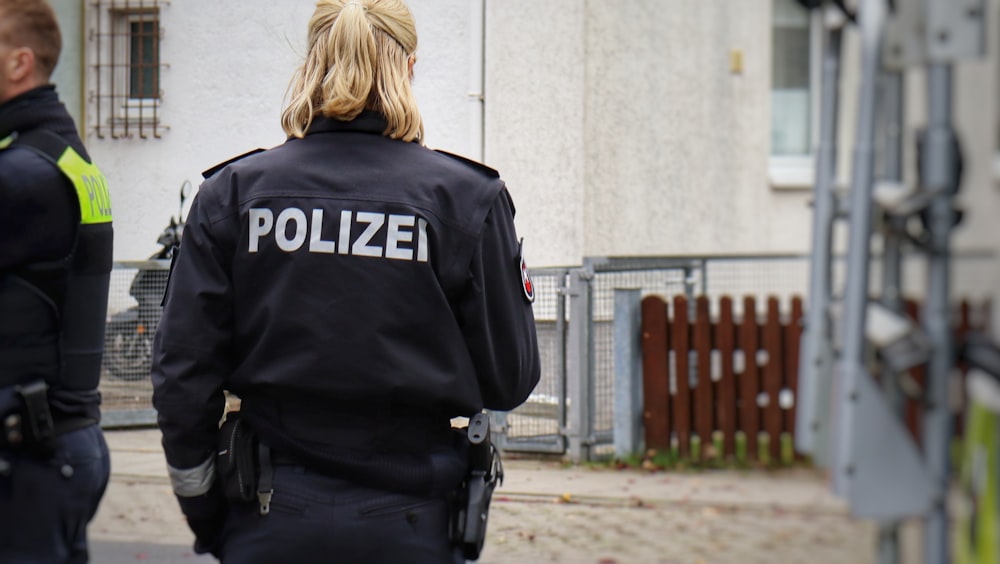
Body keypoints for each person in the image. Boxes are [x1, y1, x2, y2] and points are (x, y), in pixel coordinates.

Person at [151, 0, 541, 562]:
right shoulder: (465, 198)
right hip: (412, 521)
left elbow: (182, 379)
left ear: (312, 63)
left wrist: (209, 514)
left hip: (268, 514)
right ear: (408, 67)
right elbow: (510, 379)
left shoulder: (232, 196)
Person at [0, 0, 114, 561]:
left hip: (29, 459)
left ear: (19, 62)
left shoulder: (23, 175)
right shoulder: (62, 154)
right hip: (61, 446)